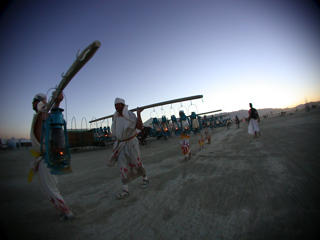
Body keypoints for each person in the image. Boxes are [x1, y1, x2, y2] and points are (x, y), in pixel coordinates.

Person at [30, 92, 75, 221]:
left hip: (46, 158)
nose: (32, 104)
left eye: (34, 101)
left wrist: (57, 102)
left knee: (50, 190)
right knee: (52, 188)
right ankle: (63, 211)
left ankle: (68, 213)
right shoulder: (41, 116)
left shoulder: (43, 116)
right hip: (46, 158)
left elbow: (49, 118)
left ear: (39, 102)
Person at [107, 98, 149, 199]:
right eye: (115, 105)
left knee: (136, 162)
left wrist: (138, 114)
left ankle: (145, 178)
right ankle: (125, 189)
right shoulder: (116, 117)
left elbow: (139, 127)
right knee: (122, 165)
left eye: (118, 105)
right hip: (121, 144)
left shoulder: (130, 115)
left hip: (131, 143)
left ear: (123, 105)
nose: (116, 107)